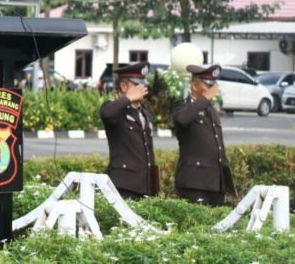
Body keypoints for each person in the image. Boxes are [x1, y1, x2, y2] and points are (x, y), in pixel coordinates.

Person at [171, 64, 236, 206]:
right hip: (194, 182)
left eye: (213, 86)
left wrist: (227, 185)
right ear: (195, 86)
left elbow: (219, 148)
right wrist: (205, 97)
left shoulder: (211, 111)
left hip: (215, 183)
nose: (213, 90)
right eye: (208, 86)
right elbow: (182, 119)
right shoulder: (182, 106)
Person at [99, 62, 159, 199]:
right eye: (137, 85)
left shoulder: (143, 113)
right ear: (124, 86)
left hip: (145, 185)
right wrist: (128, 98)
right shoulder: (114, 108)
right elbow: (107, 113)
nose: (142, 88)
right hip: (123, 184)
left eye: (143, 84)